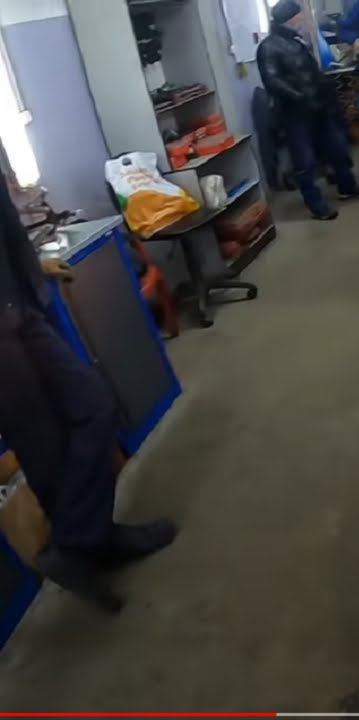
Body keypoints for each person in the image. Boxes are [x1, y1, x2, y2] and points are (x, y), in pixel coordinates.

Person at [0, 181, 176, 615]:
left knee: (90, 409)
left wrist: (31, 267)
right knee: (45, 444)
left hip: (18, 304)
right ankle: (89, 543)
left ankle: (81, 541)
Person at [258, 0, 359, 221]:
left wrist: (324, 89)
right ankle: (316, 205)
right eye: (299, 16)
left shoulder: (296, 41)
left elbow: (310, 73)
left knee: (337, 148)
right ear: (289, 19)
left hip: (318, 106)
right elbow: (272, 81)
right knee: (304, 161)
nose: (302, 19)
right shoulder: (268, 47)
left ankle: (347, 188)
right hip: (295, 113)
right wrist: (300, 98)